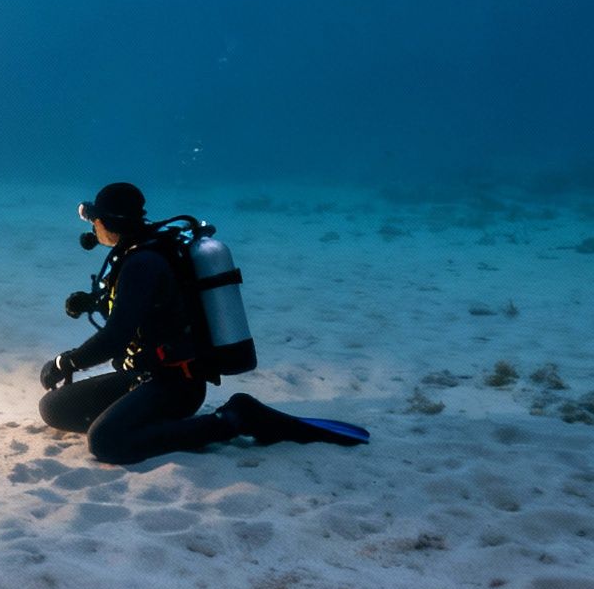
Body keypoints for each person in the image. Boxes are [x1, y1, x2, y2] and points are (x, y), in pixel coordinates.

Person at [37, 182, 367, 464]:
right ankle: (147, 421)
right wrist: (92, 304)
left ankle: (234, 418)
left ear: (108, 222)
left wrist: (65, 362)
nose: (92, 227)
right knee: (54, 409)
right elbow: (137, 311)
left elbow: (116, 336)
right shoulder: (139, 253)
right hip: (142, 375)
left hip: (175, 385)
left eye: (94, 219)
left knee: (106, 443)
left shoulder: (142, 262)